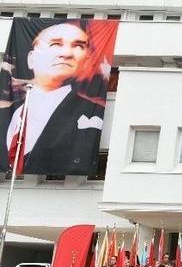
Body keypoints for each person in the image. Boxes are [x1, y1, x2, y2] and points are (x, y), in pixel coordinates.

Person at [1, 20, 111, 174]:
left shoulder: (92, 112)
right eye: (55, 44)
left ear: (86, 61)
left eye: (78, 46)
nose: (66, 54)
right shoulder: (7, 113)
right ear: (31, 58)